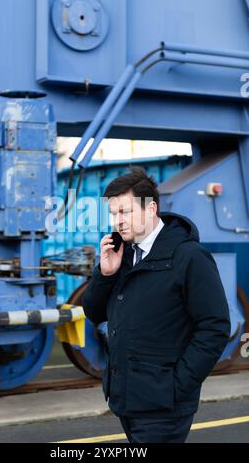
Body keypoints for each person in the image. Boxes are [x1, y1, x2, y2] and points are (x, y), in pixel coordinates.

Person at [82, 166, 231, 443]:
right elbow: (93, 312)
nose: (118, 221)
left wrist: (177, 385)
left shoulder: (189, 257)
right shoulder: (122, 254)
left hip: (164, 405)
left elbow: (215, 327)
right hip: (127, 399)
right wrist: (105, 274)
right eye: (113, 214)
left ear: (151, 208)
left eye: (125, 212)